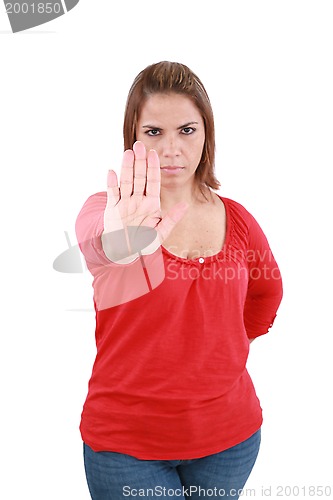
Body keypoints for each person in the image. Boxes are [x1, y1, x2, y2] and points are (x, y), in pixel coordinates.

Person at [75, 61, 283, 499]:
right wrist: (121, 241)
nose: (171, 149)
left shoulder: (239, 220)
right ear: (133, 136)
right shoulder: (106, 211)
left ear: (206, 135)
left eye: (186, 130)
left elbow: (267, 290)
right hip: (126, 448)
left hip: (230, 441)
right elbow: (98, 243)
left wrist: (221, 347)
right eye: (154, 132)